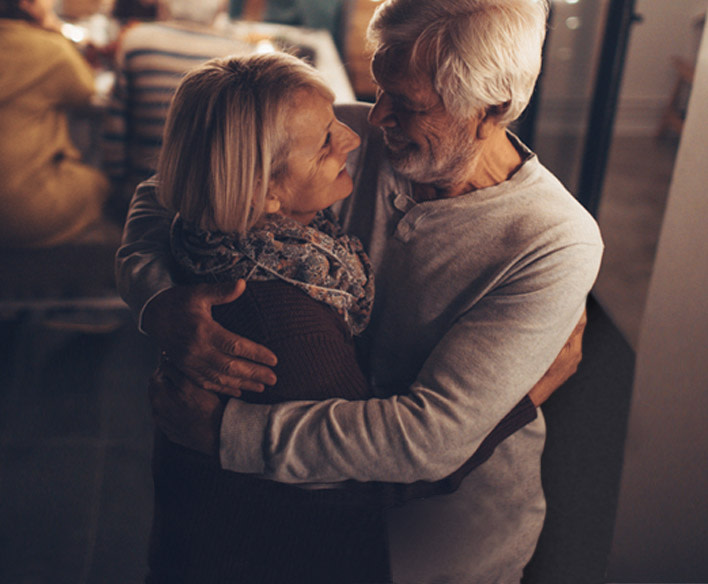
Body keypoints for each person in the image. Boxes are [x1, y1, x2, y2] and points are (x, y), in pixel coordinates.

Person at [118, 0, 603, 582]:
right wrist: (155, 298)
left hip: (442, 539)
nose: (372, 121)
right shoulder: (344, 137)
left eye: (405, 103)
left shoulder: (555, 240)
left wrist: (227, 433)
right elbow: (167, 190)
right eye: (379, 90)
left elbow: (432, 437)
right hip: (288, 524)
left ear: (493, 107)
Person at [145, 51, 541, 583]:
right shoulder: (286, 320)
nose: (354, 138)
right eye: (325, 143)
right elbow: (370, 480)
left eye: (335, 120)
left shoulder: (209, 235)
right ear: (265, 193)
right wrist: (526, 394)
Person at [104, 0, 249, 211]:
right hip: (212, 196)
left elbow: (115, 124)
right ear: (217, 8)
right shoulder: (238, 55)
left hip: (143, 189)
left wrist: (117, 186)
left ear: (166, 1)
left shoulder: (135, 42)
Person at [0, 0, 109, 248]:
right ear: (26, 4)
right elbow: (87, 91)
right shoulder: (48, 49)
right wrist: (56, 32)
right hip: (21, 206)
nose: (51, 2)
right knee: (100, 185)